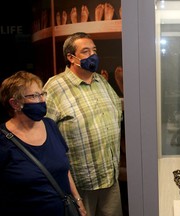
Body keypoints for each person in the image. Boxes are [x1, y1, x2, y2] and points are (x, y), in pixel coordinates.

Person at [43, 32, 123, 216]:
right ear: (71, 57)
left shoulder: (101, 81)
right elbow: (45, 135)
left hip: (110, 179)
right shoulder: (55, 87)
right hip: (80, 185)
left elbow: (116, 115)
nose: (92, 55)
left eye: (94, 50)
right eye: (85, 51)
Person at [0, 71, 87, 216]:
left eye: (42, 94)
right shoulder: (3, 141)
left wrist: (78, 200)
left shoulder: (50, 125)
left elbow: (64, 170)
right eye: (34, 96)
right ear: (15, 103)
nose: (41, 100)